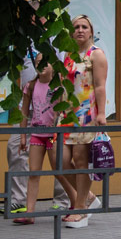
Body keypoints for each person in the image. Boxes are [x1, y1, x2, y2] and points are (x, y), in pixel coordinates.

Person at [0, 0, 70, 216]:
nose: (34, 19)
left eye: (38, 15)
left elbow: (63, 72)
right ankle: (18, 201)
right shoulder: (23, 41)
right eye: (30, 15)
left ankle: (63, 200)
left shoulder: (57, 39)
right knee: (16, 147)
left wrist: (61, 109)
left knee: (59, 156)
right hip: (29, 106)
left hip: (53, 108)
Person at [14, 53, 78, 224]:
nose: (41, 66)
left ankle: (75, 203)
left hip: (53, 135)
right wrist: (22, 136)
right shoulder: (31, 86)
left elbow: (64, 111)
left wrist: (60, 133)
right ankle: (29, 213)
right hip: (36, 134)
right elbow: (24, 112)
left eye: (45, 62)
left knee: (58, 171)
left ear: (53, 65)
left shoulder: (58, 87)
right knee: (34, 172)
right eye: (37, 63)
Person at [61, 14, 108, 228]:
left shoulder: (96, 55)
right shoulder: (69, 55)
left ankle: (80, 209)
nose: (80, 30)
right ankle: (87, 196)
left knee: (81, 160)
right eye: (76, 27)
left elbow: (100, 85)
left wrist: (101, 114)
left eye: (84, 27)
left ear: (91, 31)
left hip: (87, 114)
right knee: (60, 162)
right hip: (67, 114)